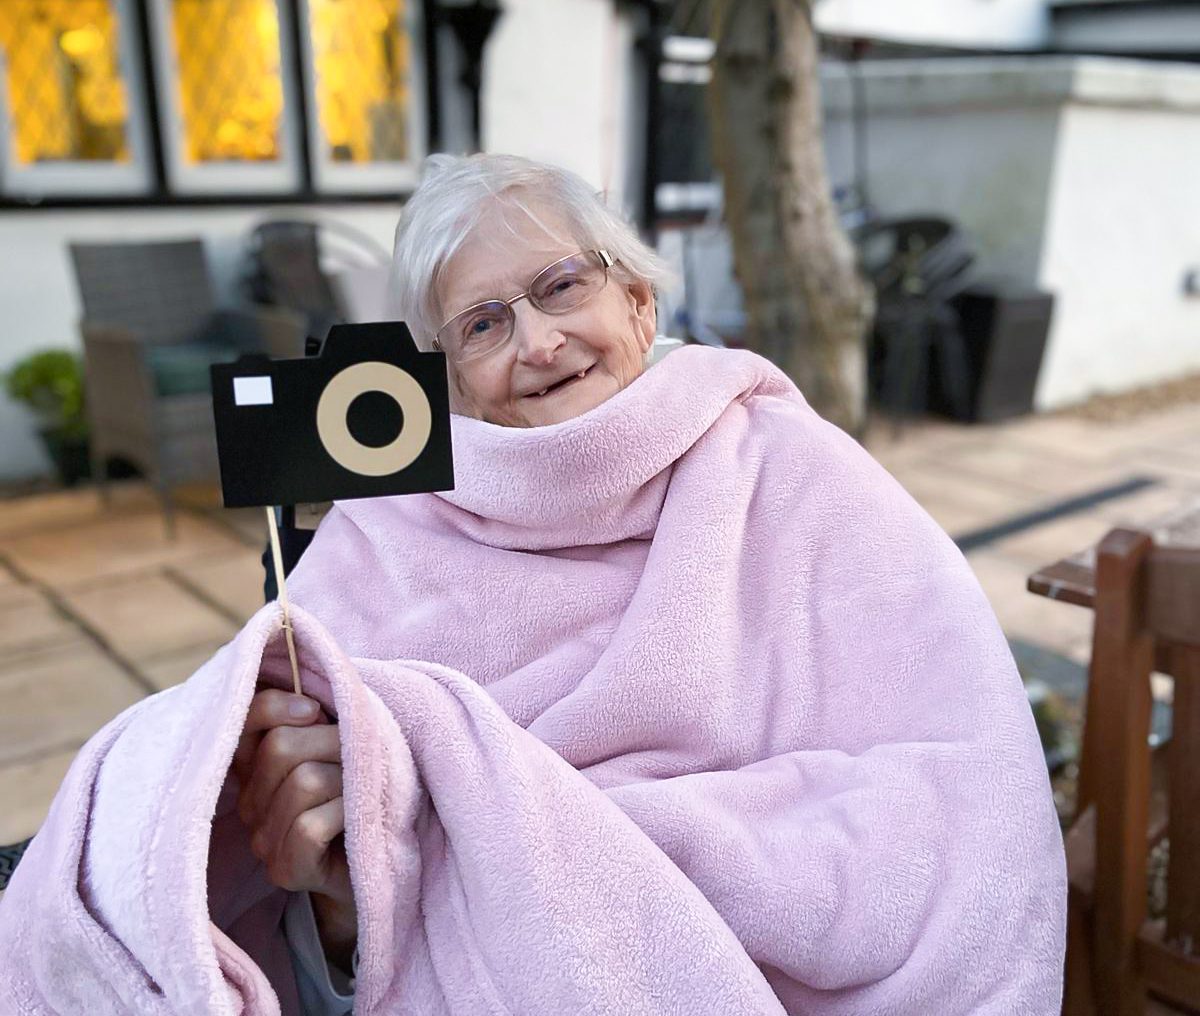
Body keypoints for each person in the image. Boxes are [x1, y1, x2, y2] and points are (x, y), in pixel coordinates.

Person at [230, 152, 1066, 1014]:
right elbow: (321, 936)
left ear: (638, 300)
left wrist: (620, 853)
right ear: (452, 384)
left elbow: (959, 772)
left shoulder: (796, 470)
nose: (539, 343)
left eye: (560, 285)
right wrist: (335, 905)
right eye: (481, 325)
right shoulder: (381, 540)